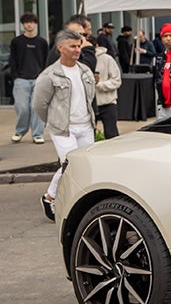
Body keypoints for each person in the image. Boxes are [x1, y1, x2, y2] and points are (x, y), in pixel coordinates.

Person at [33, 29, 95, 221]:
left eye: (79, 46)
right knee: (70, 165)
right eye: (72, 46)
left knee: (86, 166)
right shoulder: (50, 75)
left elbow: (91, 96)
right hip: (63, 129)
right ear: (60, 47)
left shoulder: (85, 71)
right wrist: (54, 121)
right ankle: (52, 197)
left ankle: (77, 202)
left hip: (86, 126)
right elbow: (39, 105)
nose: (77, 50)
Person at [9, 12, 48, 144]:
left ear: (35, 24)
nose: (29, 25)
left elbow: (46, 60)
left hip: (38, 79)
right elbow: (12, 60)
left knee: (36, 107)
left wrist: (44, 77)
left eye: (31, 22)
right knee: (22, 108)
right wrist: (15, 77)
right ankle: (20, 131)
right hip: (21, 80)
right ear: (23, 25)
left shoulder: (42, 42)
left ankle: (38, 134)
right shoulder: (16, 41)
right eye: (26, 22)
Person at [93, 42, 122, 139]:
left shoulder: (107, 59)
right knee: (87, 138)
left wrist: (99, 85)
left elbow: (116, 81)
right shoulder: (79, 59)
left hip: (108, 103)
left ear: (96, 46)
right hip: (88, 105)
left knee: (111, 135)